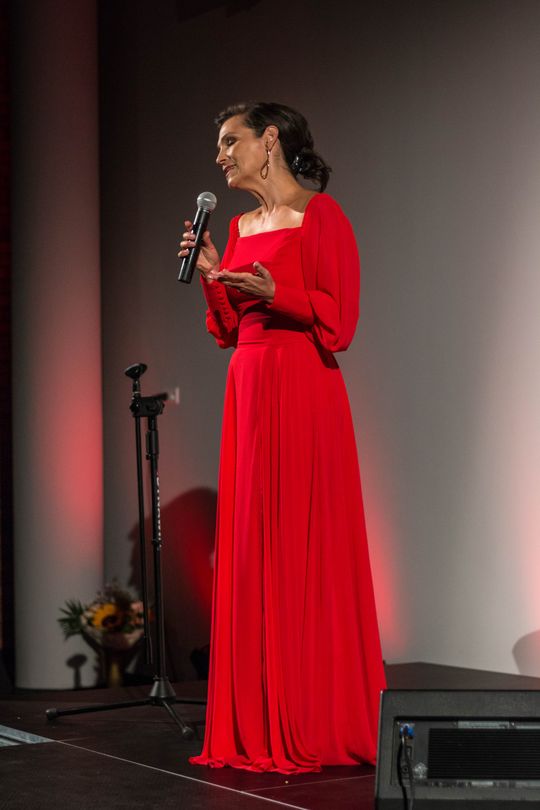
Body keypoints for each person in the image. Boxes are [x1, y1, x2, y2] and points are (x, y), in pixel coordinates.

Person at [179, 102, 386, 774]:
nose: (220, 155)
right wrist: (213, 275)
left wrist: (277, 293)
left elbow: (339, 323)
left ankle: (315, 717)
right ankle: (257, 720)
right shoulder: (238, 226)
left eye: (229, 141)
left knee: (303, 543)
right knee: (251, 549)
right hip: (249, 385)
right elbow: (227, 330)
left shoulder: (322, 216)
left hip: (303, 387)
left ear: (269, 140)